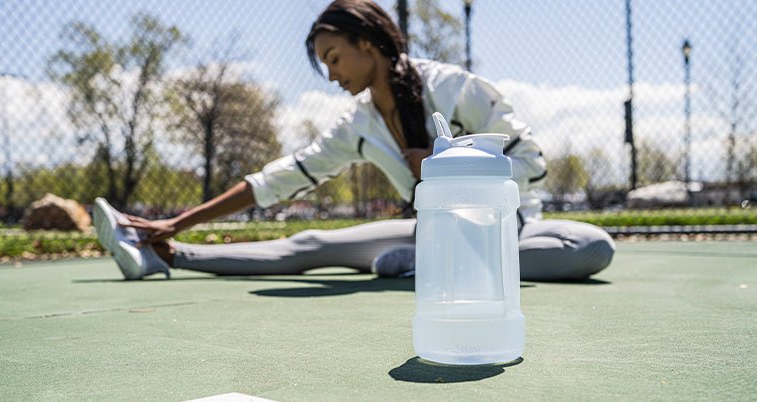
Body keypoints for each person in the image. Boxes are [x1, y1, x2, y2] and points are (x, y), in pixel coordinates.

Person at [93, 0, 615, 282]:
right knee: (312, 245)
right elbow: (282, 178)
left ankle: (427, 268)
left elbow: (532, 162)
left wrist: (448, 161)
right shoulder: (358, 125)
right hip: (430, 239)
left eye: (334, 57)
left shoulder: (454, 88)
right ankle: (168, 256)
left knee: (590, 247)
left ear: (367, 44)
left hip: (509, 232)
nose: (331, 74)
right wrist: (177, 223)